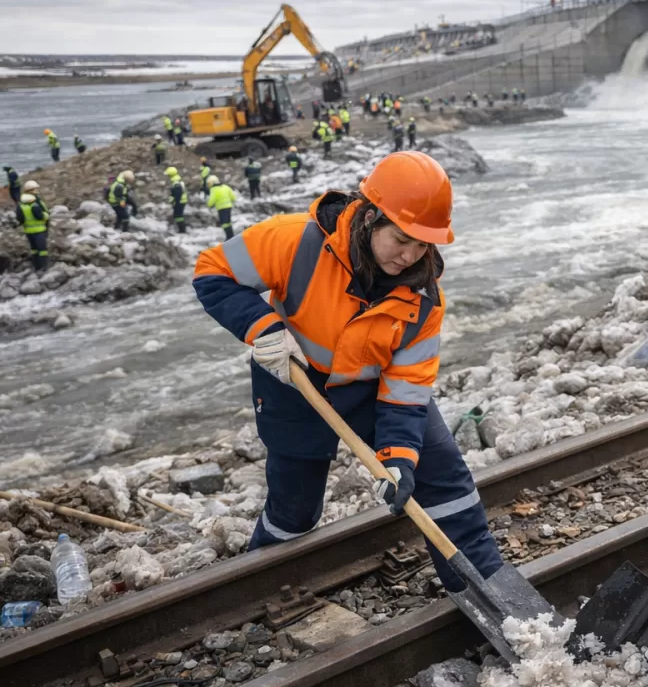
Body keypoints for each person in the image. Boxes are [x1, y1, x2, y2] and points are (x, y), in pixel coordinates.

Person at [190, 152, 505, 595]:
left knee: (443, 481)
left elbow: (407, 388)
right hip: (294, 380)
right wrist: (263, 328)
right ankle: (255, 594)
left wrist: (398, 457)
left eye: (423, 244)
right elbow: (212, 270)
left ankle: (488, 591)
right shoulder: (294, 241)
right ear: (371, 215)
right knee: (294, 510)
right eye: (401, 239)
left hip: (371, 389)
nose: (410, 255)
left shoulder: (424, 300)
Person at [16, 191, 49, 272]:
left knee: (34, 249)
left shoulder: (20, 207)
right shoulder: (35, 207)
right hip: (39, 231)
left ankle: (36, 266)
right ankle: (44, 267)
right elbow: (41, 217)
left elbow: (20, 220)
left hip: (28, 232)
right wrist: (46, 215)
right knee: (42, 250)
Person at [206, 175, 236, 240]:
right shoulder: (225, 187)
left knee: (224, 223)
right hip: (228, 207)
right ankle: (231, 235)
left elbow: (212, 199)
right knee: (228, 222)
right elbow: (233, 196)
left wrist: (209, 205)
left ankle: (229, 237)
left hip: (221, 208)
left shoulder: (213, 189)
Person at [165, 166, 189, 233]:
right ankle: (181, 229)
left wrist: (175, 202)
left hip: (180, 201)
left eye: (168, 175)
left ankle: (182, 230)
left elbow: (178, 193)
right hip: (181, 201)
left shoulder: (176, 182)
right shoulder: (176, 180)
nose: (168, 176)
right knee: (178, 215)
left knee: (178, 216)